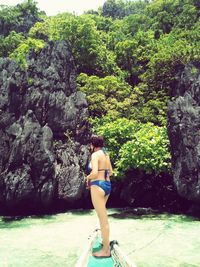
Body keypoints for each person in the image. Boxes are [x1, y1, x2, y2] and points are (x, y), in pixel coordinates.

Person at [85, 134, 113, 258]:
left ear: (92, 145)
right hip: (107, 185)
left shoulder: (95, 155)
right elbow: (111, 172)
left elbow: (95, 172)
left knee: (103, 219)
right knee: (102, 217)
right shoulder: (106, 154)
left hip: (98, 186)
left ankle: (106, 251)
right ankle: (105, 243)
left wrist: (87, 177)